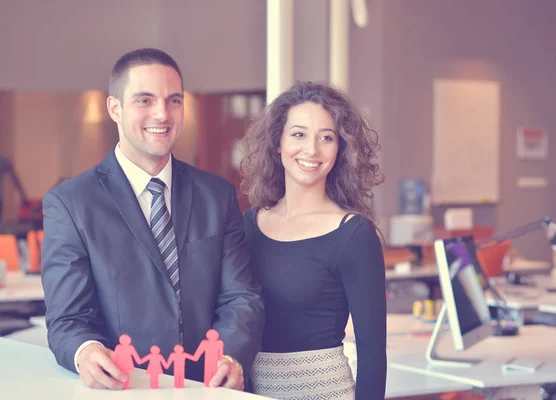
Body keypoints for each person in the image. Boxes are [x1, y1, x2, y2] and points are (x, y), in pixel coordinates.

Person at [41, 48, 264, 391]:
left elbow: (240, 296)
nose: (162, 114)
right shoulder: (70, 203)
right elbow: (69, 319)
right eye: (144, 100)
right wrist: (85, 352)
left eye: (174, 100)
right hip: (125, 388)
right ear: (115, 108)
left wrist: (231, 356)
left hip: (209, 389)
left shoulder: (217, 195)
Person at [240, 81, 387, 399]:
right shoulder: (248, 226)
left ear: (340, 149)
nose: (312, 150)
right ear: (278, 144)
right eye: (298, 134)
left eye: (326, 137)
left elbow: (373, 353)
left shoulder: (354, 235)